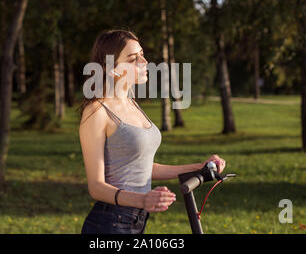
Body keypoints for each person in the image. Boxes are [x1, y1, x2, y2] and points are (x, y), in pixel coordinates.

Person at [78, 29, 226, 234]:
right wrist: (143, 199)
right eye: (132, 58)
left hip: (136, 220)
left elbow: (143, 167)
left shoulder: (132, 104)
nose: (144, 62)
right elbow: (96, 186)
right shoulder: (97, 111)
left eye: (142, 54)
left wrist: (200, 167)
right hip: (110, 223)